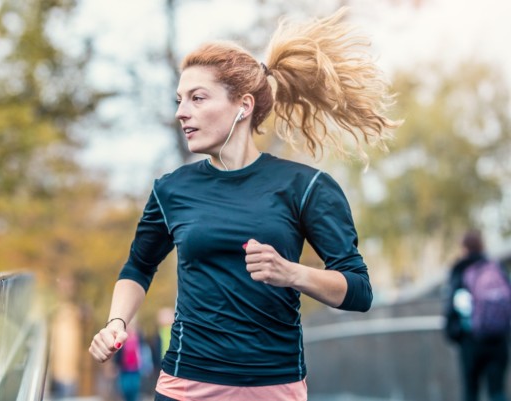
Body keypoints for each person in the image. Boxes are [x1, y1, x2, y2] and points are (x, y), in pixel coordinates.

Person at [89, 8, 400, 401]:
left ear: (244, 106)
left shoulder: (305, 186)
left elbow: (359, 291)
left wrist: (291, 273)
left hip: (274, 387)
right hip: (185, 387)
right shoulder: (172, 190)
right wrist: (117, 322)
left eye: (197, 98)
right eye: (180, 99)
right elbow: (138, 267)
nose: (181, 111)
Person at [444, 229, 510, 401]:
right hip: (498, 340)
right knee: (497, 392)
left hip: (471, 342)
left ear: (464, 248)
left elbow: (451, 308)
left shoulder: (460, 269)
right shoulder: (495, 267)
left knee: (471, 392)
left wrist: (455, 334)